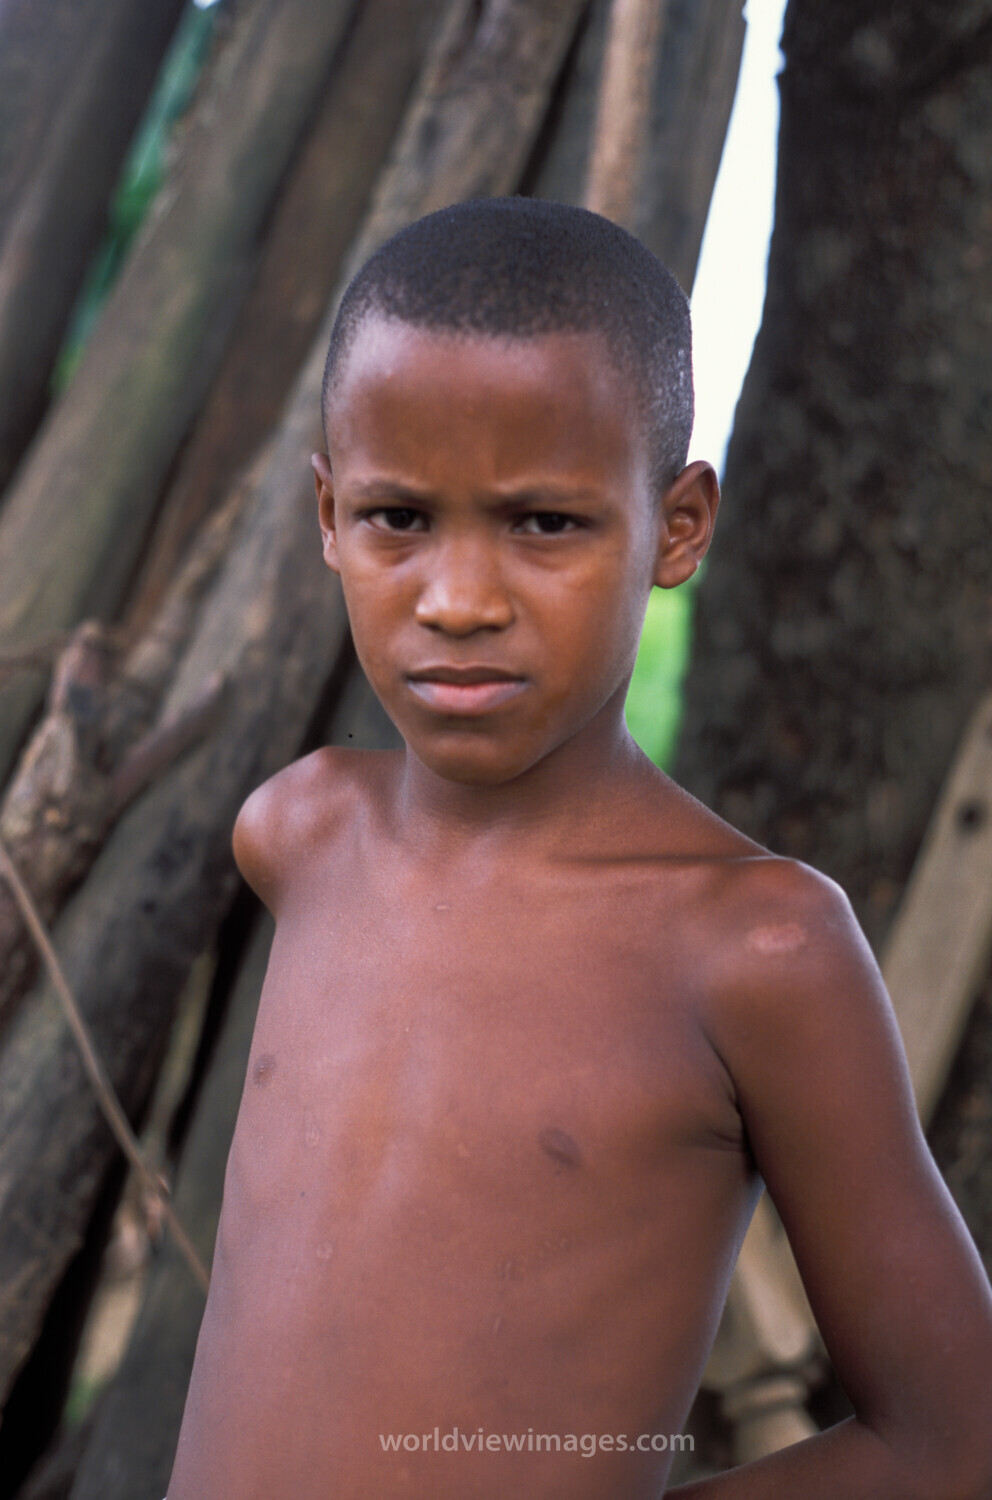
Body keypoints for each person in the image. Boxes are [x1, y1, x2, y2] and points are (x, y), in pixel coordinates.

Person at [167, 198, 992, 1499]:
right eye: (397, 518)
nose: (459, 600)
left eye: (544, 524)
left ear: (676, 528)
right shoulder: (302, 833)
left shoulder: (755, 949)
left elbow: (954, 1439)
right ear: (328, 516)